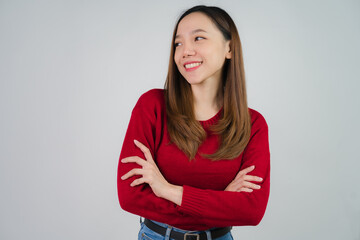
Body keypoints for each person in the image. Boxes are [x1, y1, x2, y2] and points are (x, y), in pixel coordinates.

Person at [117, 5, 270, 240]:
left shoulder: (253, 124)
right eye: (178, 43)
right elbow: (129, 196)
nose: (185, 51)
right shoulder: (152, 106)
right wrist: (222, 202)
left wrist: (168, 190)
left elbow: (252, 211)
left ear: (229, 48)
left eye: (198, 38)